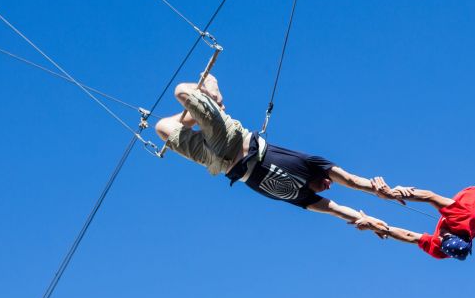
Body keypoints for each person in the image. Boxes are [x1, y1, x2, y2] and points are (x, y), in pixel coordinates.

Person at [155, 74, 393, 234]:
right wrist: (379, 190)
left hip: (218, 163)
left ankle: (197, 114)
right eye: (329, 181)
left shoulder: (304, 197)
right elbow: (352, 180)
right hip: (231, 139)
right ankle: (214, 99)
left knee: (161, 128)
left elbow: (336, 209)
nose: (329, 185)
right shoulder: (311, 164)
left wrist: (369, 221)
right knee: (182, 90)